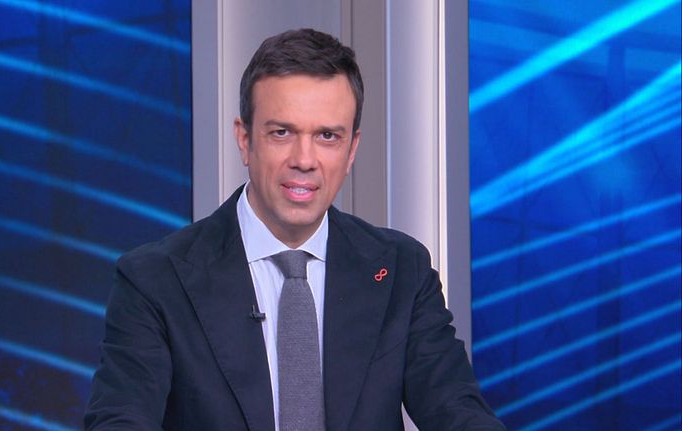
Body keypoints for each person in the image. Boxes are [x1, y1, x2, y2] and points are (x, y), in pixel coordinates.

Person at [85, 28, 505, 431]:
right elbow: (121, 421)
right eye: (282, 132)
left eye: (327, 136)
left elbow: (458, 412)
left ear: (352, 149)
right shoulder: (155, 280)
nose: (304, 159)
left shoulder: (401, 271)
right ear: (244, 139)